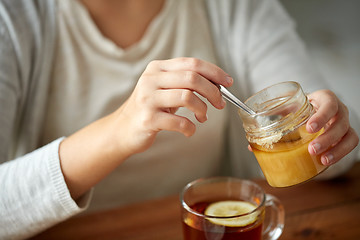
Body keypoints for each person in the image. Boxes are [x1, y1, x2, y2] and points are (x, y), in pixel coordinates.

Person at [0, 0, 358, 239]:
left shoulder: (235, 7)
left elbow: (329, 148)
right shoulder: (14, 18)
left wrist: (333, 126)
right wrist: (120, 129)